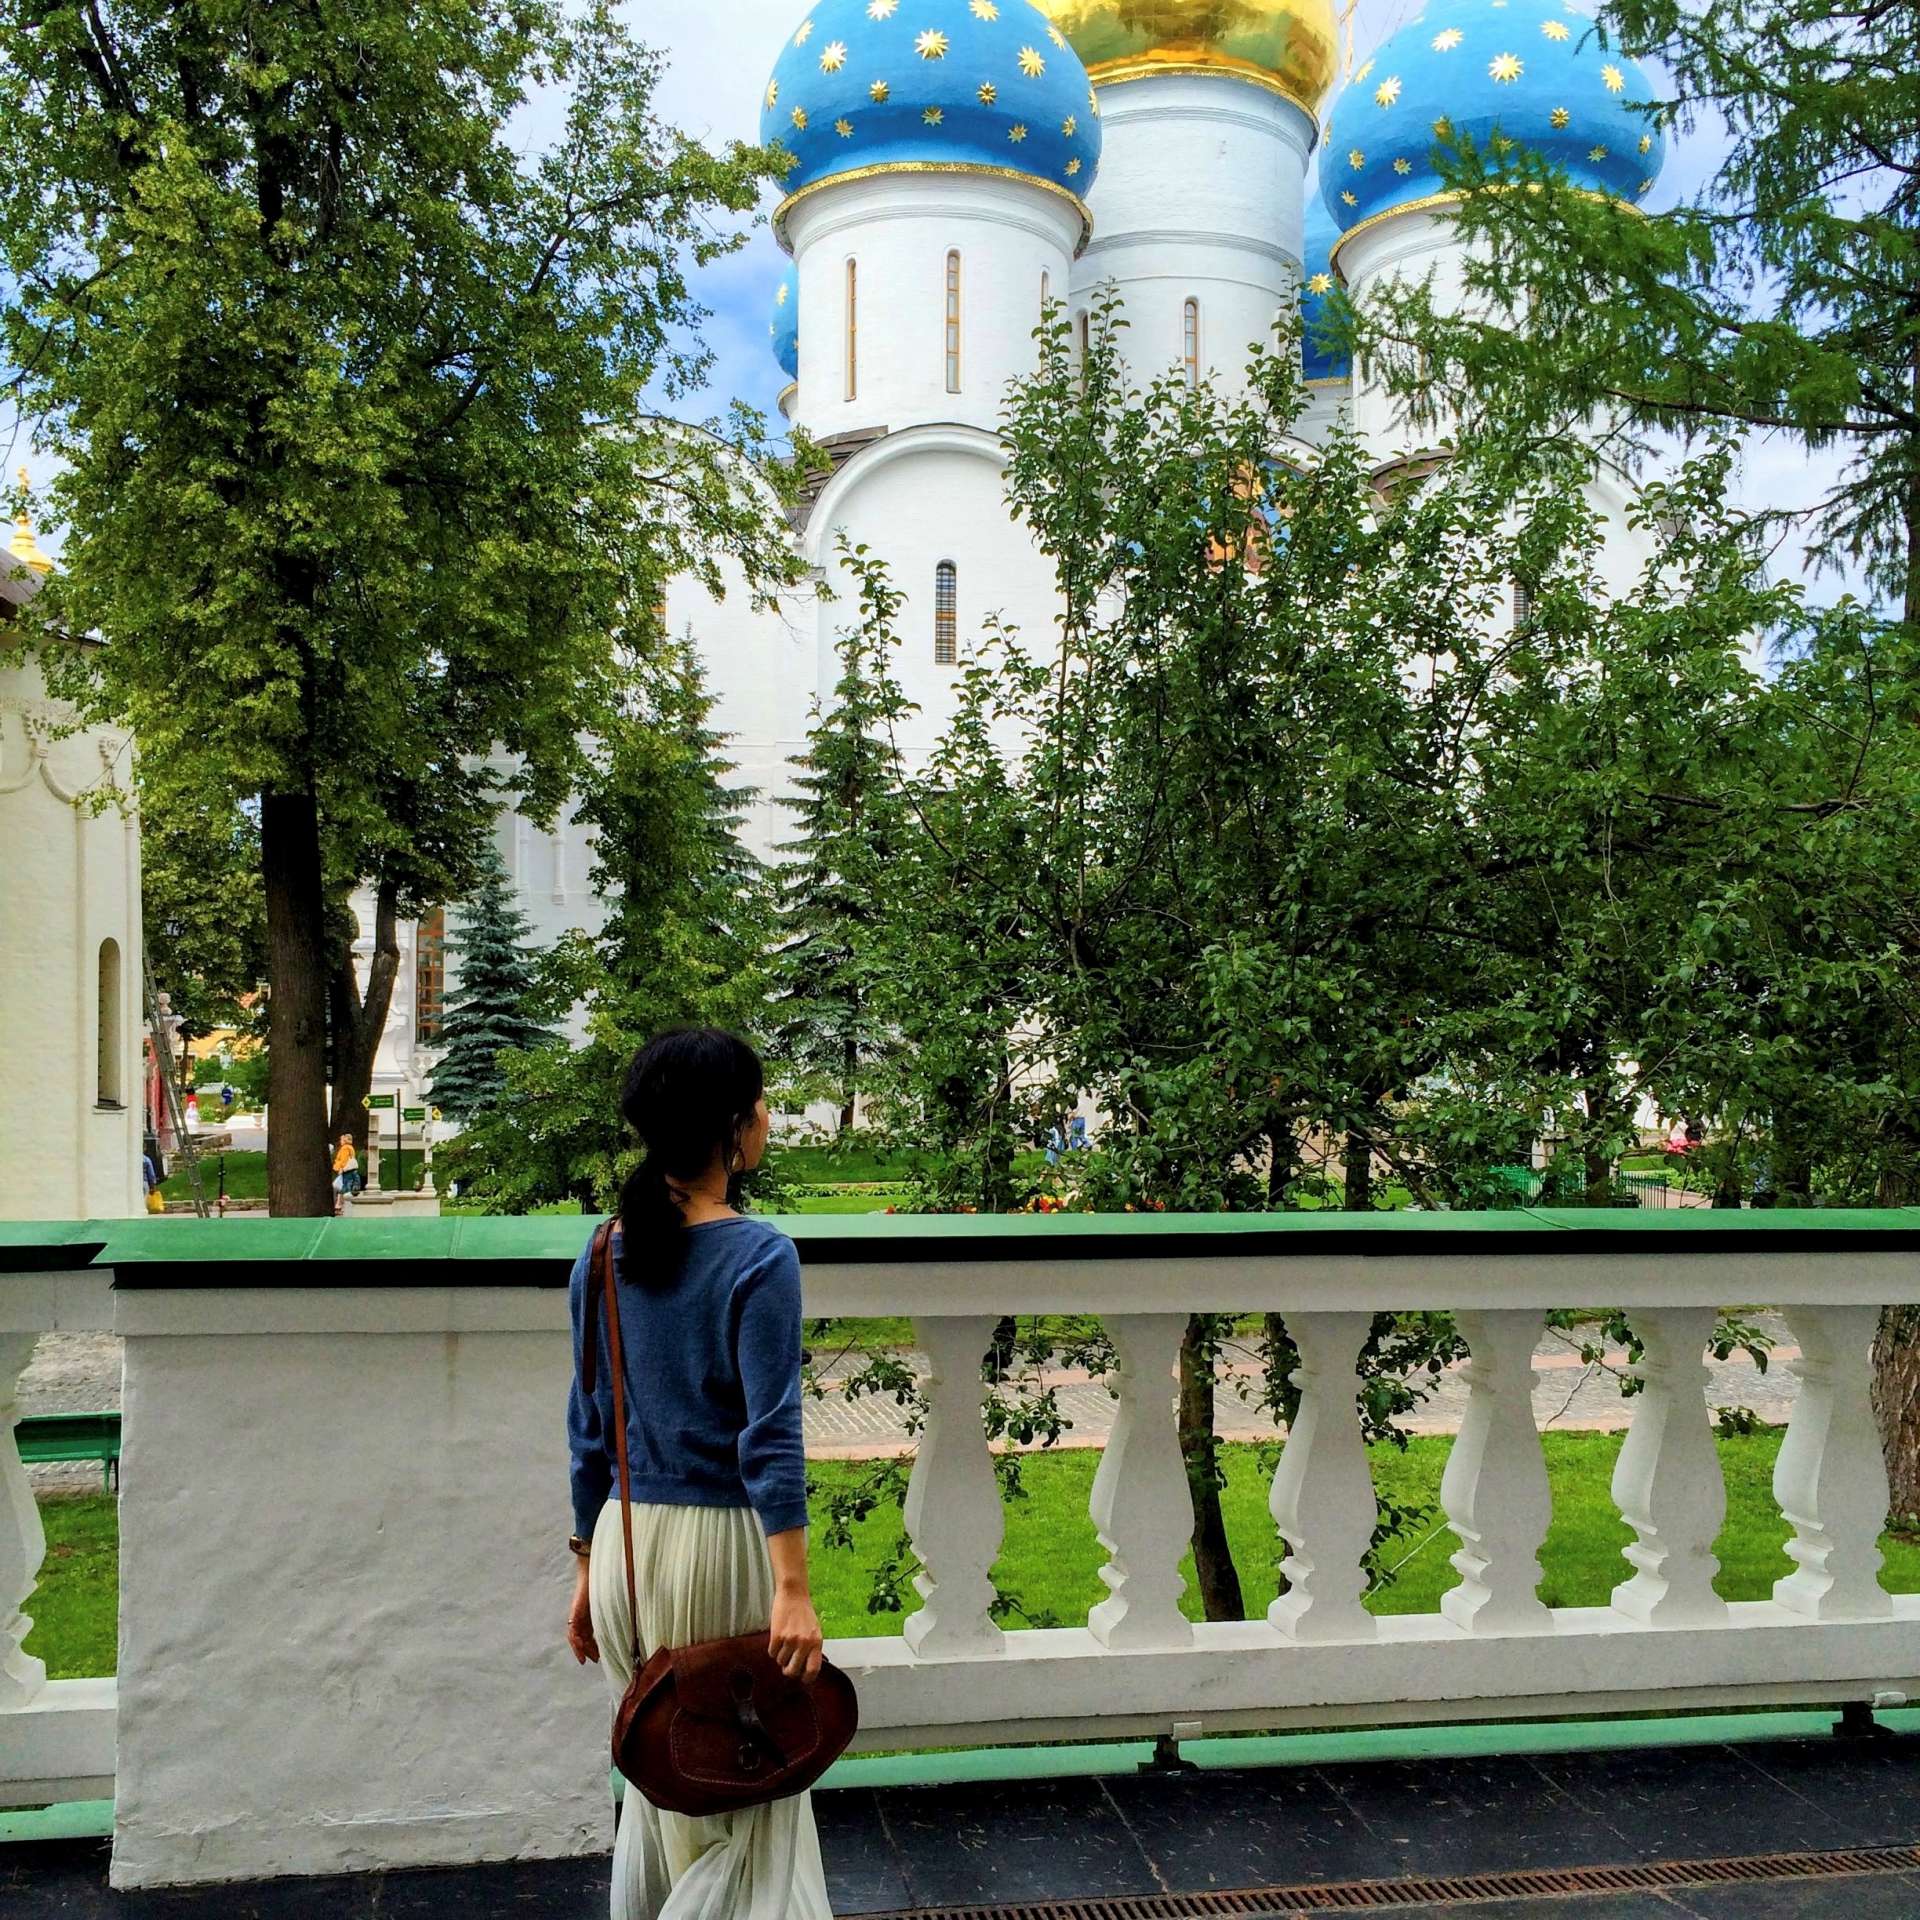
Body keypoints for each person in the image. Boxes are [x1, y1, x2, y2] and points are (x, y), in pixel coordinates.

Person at [564, 1028, 831, 1920]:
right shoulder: (760, 1256)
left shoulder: (602, 1252)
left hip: (627, 1555)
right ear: (732, 1128)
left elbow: (589, 1430)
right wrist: (792, 1588)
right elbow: (771, 1436)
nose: (767, 1115)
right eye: (759, 1101)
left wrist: (585, 1569)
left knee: (667, 1792)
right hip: (719, 1551)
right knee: (751, 1817)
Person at [331, 1133, 360, 1213]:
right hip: (350, 1169)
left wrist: (341, 1169)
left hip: (345, 1170)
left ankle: (339, 1206)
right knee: (345, 1187)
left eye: (341, 1139)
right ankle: (341, 1205)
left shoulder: (345, 1148)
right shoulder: (351, 1147)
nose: (340, 1141)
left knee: (343, 1188)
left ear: (344, 1140)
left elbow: (343, 1160)